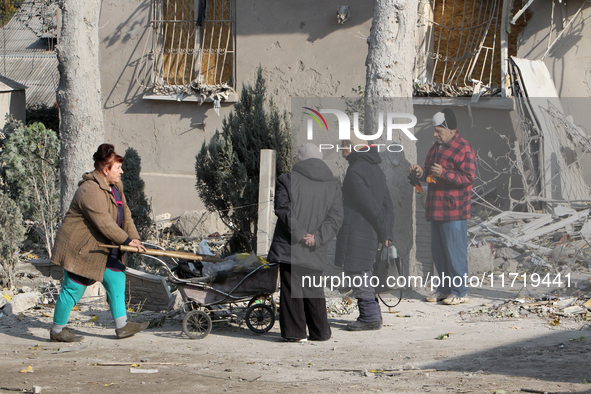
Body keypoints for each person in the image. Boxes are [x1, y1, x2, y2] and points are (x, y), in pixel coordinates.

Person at [50, 144, 149, 342]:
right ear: (105, 169)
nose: (121, 171)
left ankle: (122, 326)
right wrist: (127, 241)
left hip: (103, 248)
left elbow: (126, 215)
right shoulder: (89, 190)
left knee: (115, 278)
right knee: (74, 288)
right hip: (82, 249)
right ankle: (57, 330)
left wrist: (134, 238)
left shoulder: (116, 187)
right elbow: (103, 222)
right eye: (118, 168)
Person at [268, 143, 343, 342]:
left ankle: (295, 333)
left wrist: (301, 233)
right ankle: (320, 332)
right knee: (314, 289)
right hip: (315, 247)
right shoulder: (333, 185)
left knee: (292, 289)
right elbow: (335, 218)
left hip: (289, 245)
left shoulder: (286, 180)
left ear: (299, 159)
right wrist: (316, 237)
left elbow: (283, 210)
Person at [409, 108, 476, 305]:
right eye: (435, 130)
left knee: (455, 253)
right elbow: (431, 177)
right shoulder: (435, 148)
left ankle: (460, 292)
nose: (435, 134)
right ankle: (444, 290)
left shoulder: (464, 149)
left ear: (450, 130)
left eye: (438, 131)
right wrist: (420, 173)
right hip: (436, 209)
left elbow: (468, 178)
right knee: (439, 254)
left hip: (454, 211)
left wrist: (444, 174)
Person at [335, 133, 394, 331]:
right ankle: (373, 314)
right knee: (363, 272)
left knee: (358, 272)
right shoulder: (376, 170)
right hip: (371, 232)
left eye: (342, 144)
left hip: (357, 231)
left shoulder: (355, 171)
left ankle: (369, 317)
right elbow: (387, 205)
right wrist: (385, 233)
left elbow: (370, 207)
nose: (340, 148)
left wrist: (384, 230)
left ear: (351, 146)